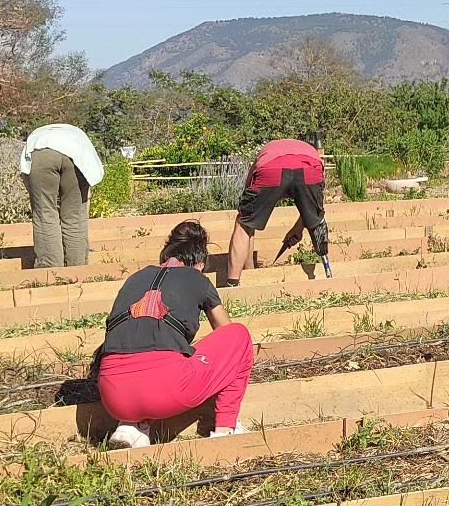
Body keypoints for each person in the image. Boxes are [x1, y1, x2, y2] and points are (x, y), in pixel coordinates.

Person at [98, 221, 254, 448]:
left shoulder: (135, 278)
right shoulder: (198, 278)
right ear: (200, 263)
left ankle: (131, 426)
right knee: (239, 336)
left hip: (112, 396)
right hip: (167, 390)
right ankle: (225, 430)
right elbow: (226, 332)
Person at [225, 138, 331, 286]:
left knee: (243, 223)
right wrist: (302, 226)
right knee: (317, 221)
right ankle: (329, 274)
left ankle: (233, 284)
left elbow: (248, 217)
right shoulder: (311, 153)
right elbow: (314, 210)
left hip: (271, 168)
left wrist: (297, 229)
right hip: (309, 167)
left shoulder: (264, 156)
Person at [20, 124, 105, 268]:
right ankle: (77, 267)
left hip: (41, 153)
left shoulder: (37, 135)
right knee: (74, 217)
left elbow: (27, 179)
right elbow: (88, 191)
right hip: (75, 155)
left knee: (45, 215)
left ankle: (50, 268)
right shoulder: (80, 138)